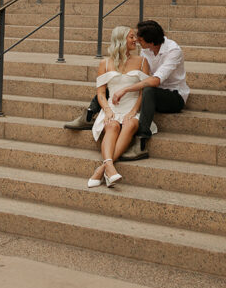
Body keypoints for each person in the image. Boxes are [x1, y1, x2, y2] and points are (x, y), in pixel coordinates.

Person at [64, 19, 189, 162]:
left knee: (146, 89)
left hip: (173, 96)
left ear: (151, 42)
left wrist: (126, 90)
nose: (137, 41)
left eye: (140, 39)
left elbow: (155, 81)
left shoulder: (173, 51)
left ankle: (141, 140)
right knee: (113, 83)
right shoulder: (145, 50)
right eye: (133, 37)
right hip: (148, 89)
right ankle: (89, 114)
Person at [87, 26, 153, 187]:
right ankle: (109, 167)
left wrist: (133, 111)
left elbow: (143, 92)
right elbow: (101, 93)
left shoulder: (143, 61)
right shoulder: (105, 63)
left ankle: (103, 169)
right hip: (111, 108)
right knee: (112, 126)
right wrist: (108, 110)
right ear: (121, 40)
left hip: (133, 106)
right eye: (131, 37)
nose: (135, 40)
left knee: (130, 123)